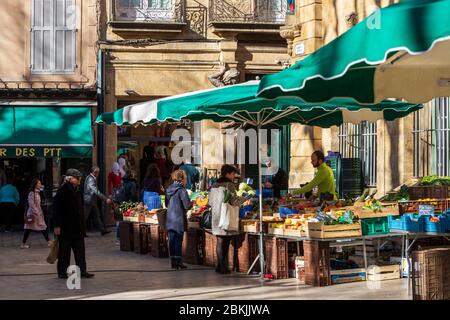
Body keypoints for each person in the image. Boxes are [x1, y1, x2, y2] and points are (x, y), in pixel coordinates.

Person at [53, 169, 94, 279]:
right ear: (70, 179)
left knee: (80, 251)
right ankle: (62, 272)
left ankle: (82, 271)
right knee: (64, 252)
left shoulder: (77, 190)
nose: (79, 180)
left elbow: (80, 208)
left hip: (77, 227)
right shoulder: (63, 190)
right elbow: (56, 209)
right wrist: (56, 225)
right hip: (66, 227)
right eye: (77, 178)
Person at [209, 165, 249, 274]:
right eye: (233, 174)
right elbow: (234, 201)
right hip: (225, 217)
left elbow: (209, 202)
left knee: (220, 241)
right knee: (224, 242)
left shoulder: (214, 185)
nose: (234, 176)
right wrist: (245, 198)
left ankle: (219, 265)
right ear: (228, 174)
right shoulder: (229, 185)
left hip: (216, 217)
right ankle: (223, 267)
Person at [165, 170, 193, 270]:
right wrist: (192, 202)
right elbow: (187, 205)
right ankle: (178, 262)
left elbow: (166, 204)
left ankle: (173, 262)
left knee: (172, 241)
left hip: (170, 219)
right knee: (177, 241)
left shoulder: (169, 189)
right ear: (182, 179)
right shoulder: (182, 190)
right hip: (179, 219)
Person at [21, 179, 51, 249]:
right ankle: (23, 243)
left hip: (38, 213)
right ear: (35, 184)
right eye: (39, 183)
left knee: (42, 227)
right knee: (28, 229)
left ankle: (49, 242)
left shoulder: (38, 192)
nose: (40, 185)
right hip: (33, 214)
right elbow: (31, 204)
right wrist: (36, 212)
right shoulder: (32, 193)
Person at [84, 166, 112, 236]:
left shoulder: (92, 178)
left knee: (97, 216)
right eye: (97, 172)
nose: (98, 173)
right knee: (84, 217)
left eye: (98, 172)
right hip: (89, 201)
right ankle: (80, 232)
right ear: (94, 172)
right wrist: (105, 199)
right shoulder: (90, 179)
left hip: (92, 201)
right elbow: (95, 191)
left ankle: (102, 230)